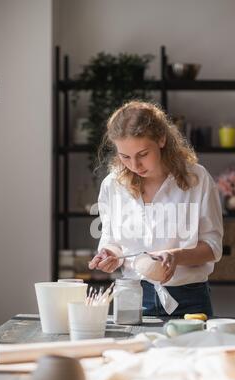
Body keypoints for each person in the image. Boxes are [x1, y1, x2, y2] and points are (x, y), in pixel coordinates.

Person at [89, 101, 223, 317]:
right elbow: (112, 240)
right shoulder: (113, 185)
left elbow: (213, 248)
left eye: (142, 154)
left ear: (161, 139)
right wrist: (109, 254)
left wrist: (176, 256)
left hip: (190, 299)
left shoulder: (197, 179)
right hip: (133, 297)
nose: (134, 165)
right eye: (125, 156)